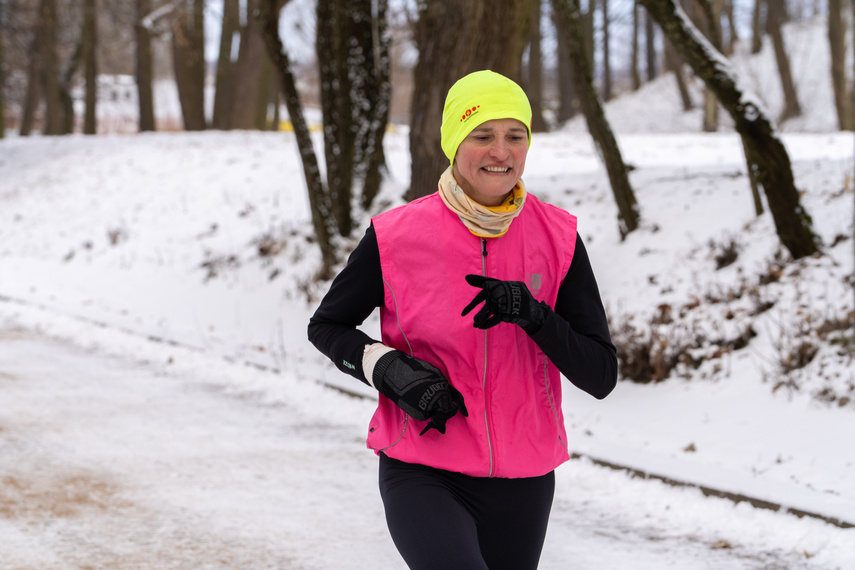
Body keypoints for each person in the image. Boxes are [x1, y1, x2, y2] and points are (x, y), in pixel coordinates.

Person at [308, 70, 617, 570]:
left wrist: (534, 316)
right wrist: (386, 369)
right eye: (483, 135)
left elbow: (601, 375)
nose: (501, 151)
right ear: (454, 143)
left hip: (525, 480)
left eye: (515, 136)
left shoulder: (557, 237)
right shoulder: (397, 235)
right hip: (423, 468)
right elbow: (326, 327)